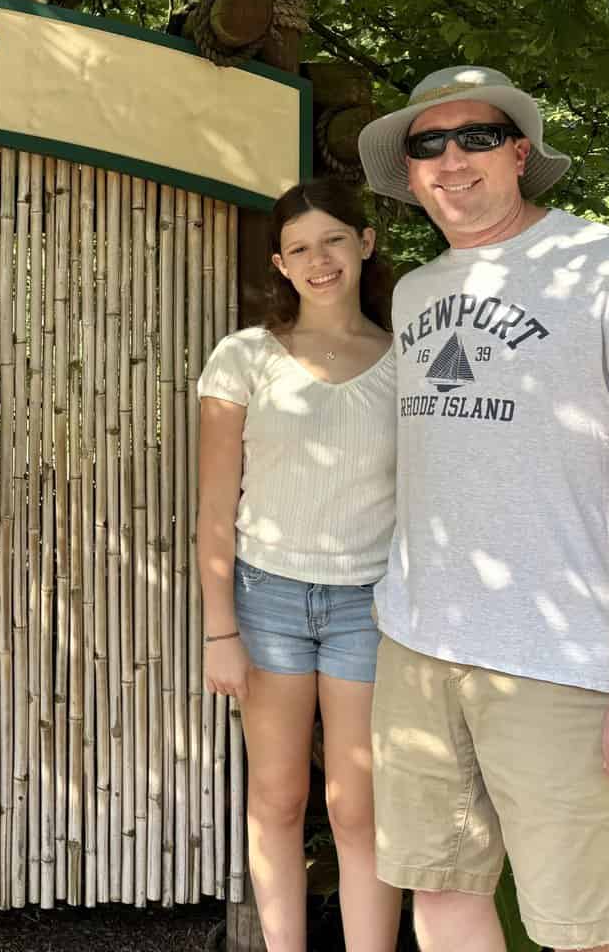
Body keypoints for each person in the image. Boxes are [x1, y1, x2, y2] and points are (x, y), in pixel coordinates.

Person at [358, 65, 609, 952]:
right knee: (440, 892)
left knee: (582, 932)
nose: (451, 158)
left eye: (476, 136)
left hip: (562, 660)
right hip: (419, 647)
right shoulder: (415, 291)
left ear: (519, 154)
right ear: (410, 172)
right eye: (428, 143)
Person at [196, 177, 403, 952]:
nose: (320, 261)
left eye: (334, 241)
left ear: (365, 244)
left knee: (359, 808)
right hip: (267, 601)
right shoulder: (243, 358)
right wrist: (221, 630)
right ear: (281, 265)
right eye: (300, 249)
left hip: (369, 606)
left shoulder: (408, 361)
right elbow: (214, 507)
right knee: (278, 798)